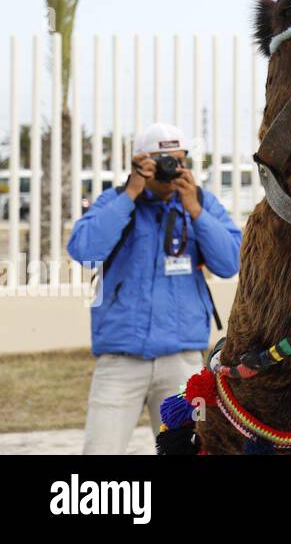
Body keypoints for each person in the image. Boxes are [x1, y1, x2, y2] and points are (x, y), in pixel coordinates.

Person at [67, 122, 242, 454]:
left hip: (181, 358)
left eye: (177, 160)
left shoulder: (200, 203)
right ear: (140, 161)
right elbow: (84, 251)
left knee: (187, 451)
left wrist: (196, 211)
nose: (170, 169)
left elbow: (230, 262)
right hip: (120, 357)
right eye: (163, 160)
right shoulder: (116, 200)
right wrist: (131, 192)